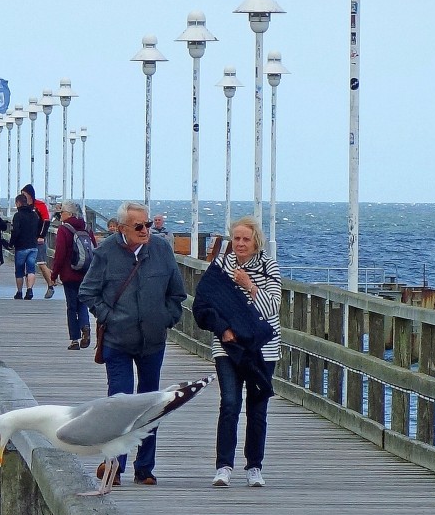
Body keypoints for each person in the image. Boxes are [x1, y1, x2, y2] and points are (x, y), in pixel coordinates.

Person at [79, 200, 186, 487]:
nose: (145, 230)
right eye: (138, 226)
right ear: (122, 228)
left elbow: (177, 293)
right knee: (120, 403)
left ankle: (145, 467)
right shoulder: (105, 252)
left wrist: (166, 318)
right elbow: (88, 292)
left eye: (148, 224)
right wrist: (109, 317)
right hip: (118, 340)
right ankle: (115, 465)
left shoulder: (161, 249)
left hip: (153, 340)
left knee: (152, 403)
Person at [192, 216, 281, 488]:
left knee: (257, 408)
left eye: (245, 239)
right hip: (227, 346)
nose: (240, 243)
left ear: (256, 241)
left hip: (262, 350)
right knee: (229, 404)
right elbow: (203, 305)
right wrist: (223, 329)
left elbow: (272, 309)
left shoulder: (269, 267)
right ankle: (224, 466)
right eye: (236, 238)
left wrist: (249, 285)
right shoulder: (220, 265)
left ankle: (254, 466)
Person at [51, 200, 96, 350]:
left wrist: (54, 274)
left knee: (71, 306)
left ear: (69, 214)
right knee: (82, 302)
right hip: (85, 273)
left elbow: (60, 254)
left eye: (62, 212)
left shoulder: (64, 230)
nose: (60, 215)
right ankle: (86, 326)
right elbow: (94, 248)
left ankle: (74, 340)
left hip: (69, 274)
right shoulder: (86, 227)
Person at [21, 184, 56, 298]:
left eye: (24, 194)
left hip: (38, 238)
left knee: (41, 263)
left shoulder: (39, 205)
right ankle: (28, 290)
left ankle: (50, 284)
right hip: (27, 238)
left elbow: (46, 221)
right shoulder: (25, 206)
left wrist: (42, 236)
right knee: (28, 265)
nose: (23, 196)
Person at [8, 192, 42, 299]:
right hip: (33, 245)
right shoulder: (34, 215)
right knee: (31, 269)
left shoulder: (18, 216)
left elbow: (15, 231)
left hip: (21, 246)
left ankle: (19, 292)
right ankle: (30, 290)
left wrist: (11, 243)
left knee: (19, 270)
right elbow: (39, 229)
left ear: (18, 203)